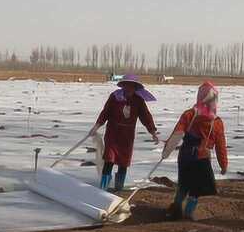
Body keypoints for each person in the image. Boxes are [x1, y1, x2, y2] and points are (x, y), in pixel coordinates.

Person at [167, 82, 228, 221]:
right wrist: (223, 164)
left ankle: (175, 211)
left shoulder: (189, 114)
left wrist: (167, 151)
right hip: (202, 158)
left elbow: (177, 133)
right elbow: (220, 145)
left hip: (186, 155)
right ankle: (188, 214)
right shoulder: (217, 122)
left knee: (183, 184)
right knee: (196, 189)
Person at [90, 74, 159, 191]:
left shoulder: (138, 100)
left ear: (136, 87)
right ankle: (103, 187)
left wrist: (152, 132)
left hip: (127, 135)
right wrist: (96, 126)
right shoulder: (115, 97)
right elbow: (105, 112)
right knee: (109, 159)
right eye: (127, 85)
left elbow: (145, 116)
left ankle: (119, 188)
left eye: (132, 86)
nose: (129, 88)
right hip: (113, 132)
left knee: (124, 161)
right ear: (123, 86)